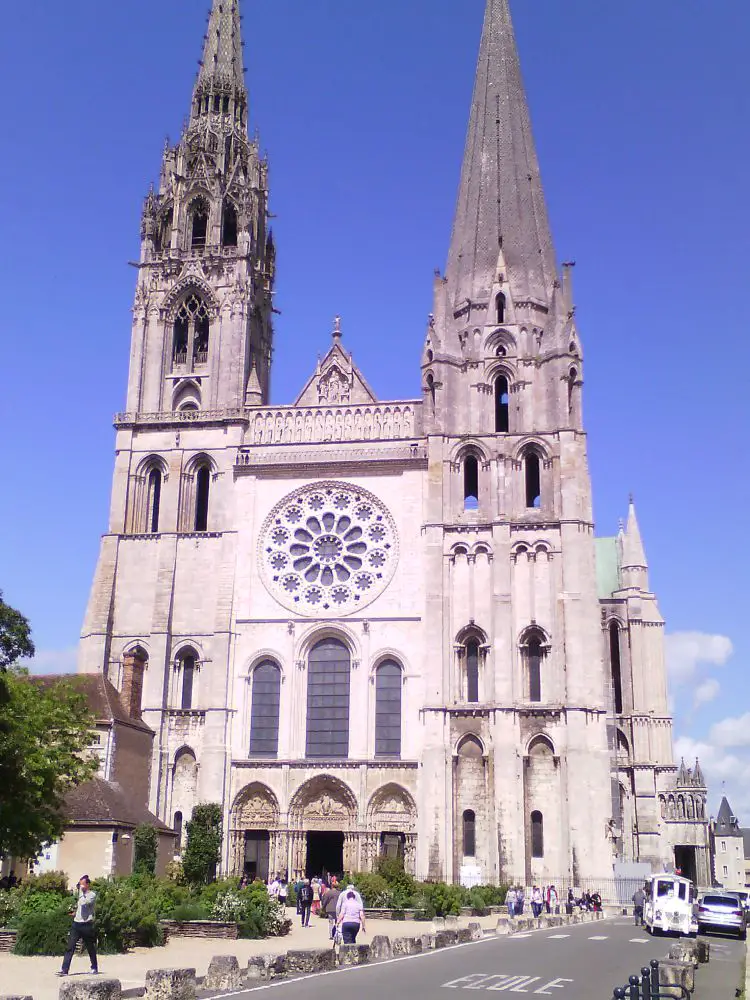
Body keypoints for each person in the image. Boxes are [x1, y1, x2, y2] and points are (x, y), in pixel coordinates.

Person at [57, 876, 98, 977]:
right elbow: (80, 906)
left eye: (82, 884)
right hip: (76, 924)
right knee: (70, 947)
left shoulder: (91, 895)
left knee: (90, 947)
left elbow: (84, 903)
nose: (81, 886)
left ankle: (94, 967)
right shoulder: (80, 894)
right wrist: (75, 913)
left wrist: (81, 892)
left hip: (86, 925)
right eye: (80, 884)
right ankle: (64, 970)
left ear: (88, 884)